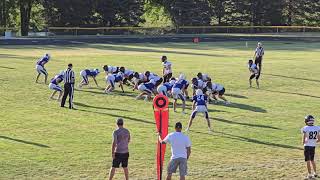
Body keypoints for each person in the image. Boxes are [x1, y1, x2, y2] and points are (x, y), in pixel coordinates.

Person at [301, 115, 320, 179]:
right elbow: (319, 139)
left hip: (307, 146)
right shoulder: (317, 128)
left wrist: (303, 142)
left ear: (306, 121)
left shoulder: (305, 128)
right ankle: (315, 173)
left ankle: (309, 174)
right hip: (313, 146)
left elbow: (303, 140)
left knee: (308, 161)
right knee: (312, 160)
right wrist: (314, 141)